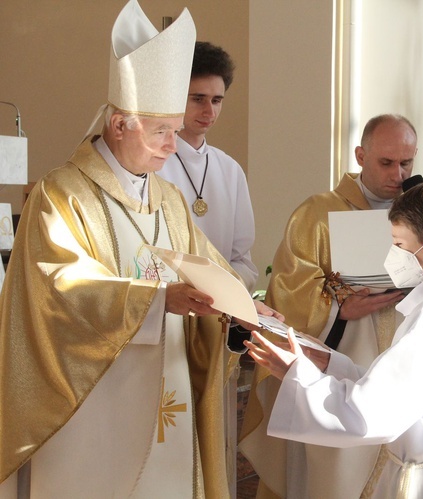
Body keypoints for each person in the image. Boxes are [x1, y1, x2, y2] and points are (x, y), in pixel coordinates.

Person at [0, 2, 279, 497]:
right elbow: (57, 291)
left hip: (169, 389)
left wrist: (242, 307)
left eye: (175, 129)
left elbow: (210, 271)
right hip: (95, 409)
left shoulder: (168, 200)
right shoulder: (62, 195)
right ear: (119, 123)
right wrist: (154, 301)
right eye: (161, 131)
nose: (174, 145)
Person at [239, 114, 423, 499]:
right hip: (374, 379)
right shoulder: (319, 212)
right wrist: (331, 344)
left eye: (397, 245)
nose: (398, 173)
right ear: (361, 155)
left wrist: (299, 375)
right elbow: (293, 287)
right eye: (386, 162)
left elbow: (367, 414)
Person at [158, 41, 258, 290]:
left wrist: (220, 289)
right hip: (167, 301)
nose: (209, 111)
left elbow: (242, 260)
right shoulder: (153, 164)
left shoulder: (229, 169)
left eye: (216, 100)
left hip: (215, 310)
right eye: (198, 99)